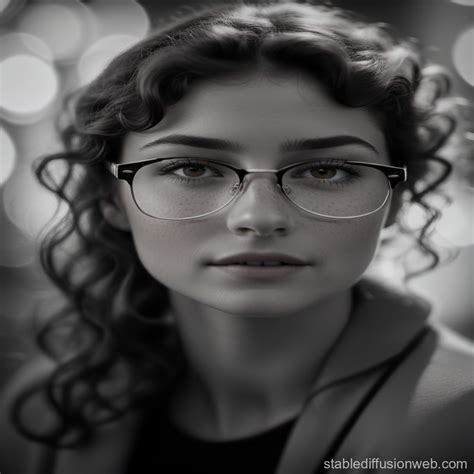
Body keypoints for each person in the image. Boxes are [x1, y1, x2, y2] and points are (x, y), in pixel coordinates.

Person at [1, 2, 472, 473]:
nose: (259, 217)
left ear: (396, 197)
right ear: (112, 198)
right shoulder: (45, 411)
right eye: (193, 168)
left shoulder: (460, 422)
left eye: (326, 170)